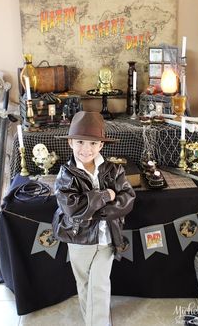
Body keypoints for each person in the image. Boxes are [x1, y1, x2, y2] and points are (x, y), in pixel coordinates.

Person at [52, 111, 136, 326]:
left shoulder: (114, 170)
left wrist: (96, 211)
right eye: (80, 142)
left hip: (107, 237)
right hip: (78, 239)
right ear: (70, 142)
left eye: (92, 143)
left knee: (99, 284)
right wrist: (105, 195)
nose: (85, 149)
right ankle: (91, 321)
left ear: (101, 145)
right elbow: (73, 207)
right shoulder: (66, 174)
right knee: (85, 284)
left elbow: (127, 198)